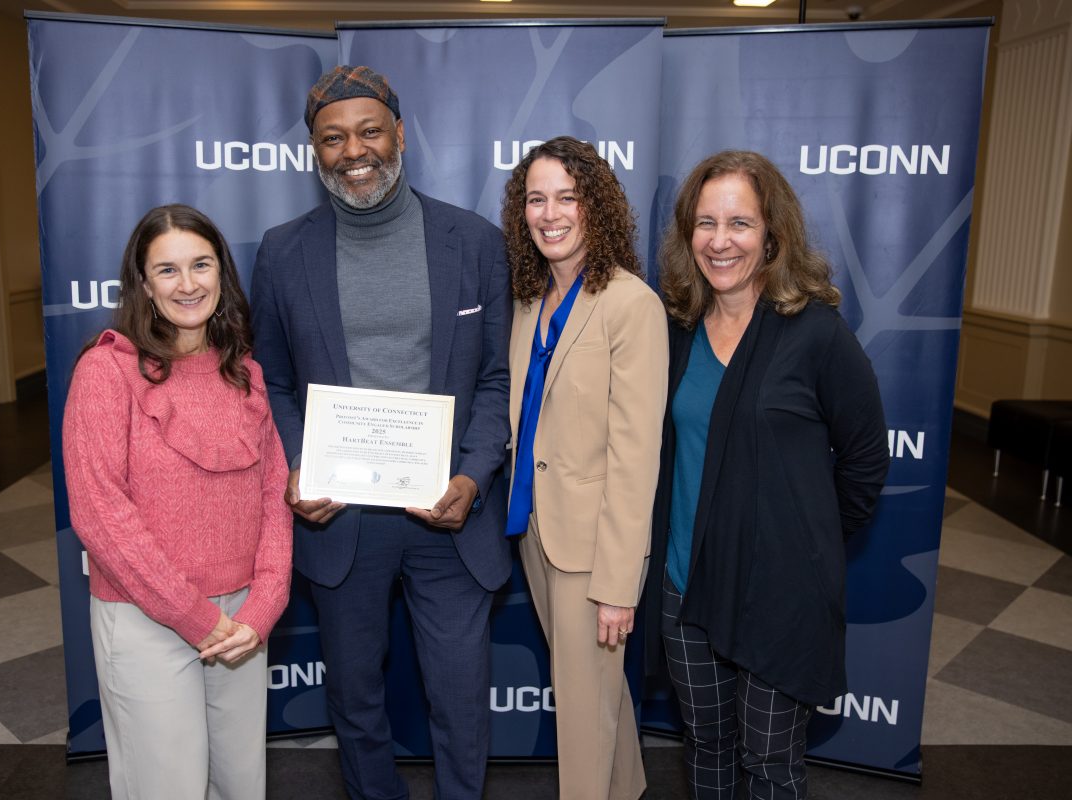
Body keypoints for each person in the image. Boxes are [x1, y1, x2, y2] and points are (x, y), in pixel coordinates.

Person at [249, 66, 511, 800]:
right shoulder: (281, 251)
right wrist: (301, 465)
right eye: (332, 138)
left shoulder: (475, 241)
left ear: (400, 134)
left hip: (450, 517)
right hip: (342, 518)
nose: (353, 150)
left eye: (369, 131)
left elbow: (496, 381)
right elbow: (269, 379)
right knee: (357, 701)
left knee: (460, 699)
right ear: (313, 151)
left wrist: (472, 477)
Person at [652, 150, 889, 799]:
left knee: (770, 767)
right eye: (706, 223)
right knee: (705, 747)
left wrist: (802, 545)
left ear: (773, 234)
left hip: (779, 598)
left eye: (740, 223)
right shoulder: (678, 330)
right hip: (684, 585)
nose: (720, 241)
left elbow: (866, 463)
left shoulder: (815, 333)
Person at [63, 204, 292, 799]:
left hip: (239, 621)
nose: (188, 284)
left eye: (201, 265)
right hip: (147, 618)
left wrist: (262, 604)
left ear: (223, 273)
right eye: (167, 270)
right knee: (166, 786)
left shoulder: (245, 371)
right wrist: (197, 618)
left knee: (241, 783)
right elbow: (100, 516)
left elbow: (273, 494)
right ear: (143, 282)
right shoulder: (105, 372)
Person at [500, 136, 668, 799]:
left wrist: (619, 583)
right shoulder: (527, 300)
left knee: (580, 711)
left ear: (594, 207)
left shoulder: (631, 306)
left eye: (567, 197)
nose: (551, 214)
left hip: (595, 549)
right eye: (536, 200)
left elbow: (635, 460)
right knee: (597, 695)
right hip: (538, 532)